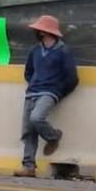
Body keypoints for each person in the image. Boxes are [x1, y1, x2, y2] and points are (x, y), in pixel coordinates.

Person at [13, 15, 79, 178]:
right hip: (33, 91)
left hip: (50, 92)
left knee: (36, 118)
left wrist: (58, 92)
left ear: (45, 32)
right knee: (28, 130)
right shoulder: (34, 50)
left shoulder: (63, 51)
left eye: (39, 30)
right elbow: (28, 71)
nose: (36, 32)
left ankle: (53, 136)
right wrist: (34, 83)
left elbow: (72, 77)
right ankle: (28, 166)